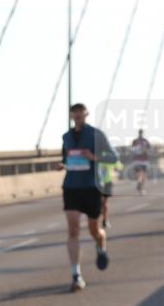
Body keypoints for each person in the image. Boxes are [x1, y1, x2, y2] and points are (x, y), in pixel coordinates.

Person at [60, 103, 119, 292]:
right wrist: (62, 165)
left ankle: (101, 244)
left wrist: (93, 157)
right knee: (73, 228)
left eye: (80, 112)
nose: (77, 115)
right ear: (71, 115)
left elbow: (113, 157)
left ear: (86, 114)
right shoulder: (66, 137)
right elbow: (66, 158)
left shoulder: (95, 134)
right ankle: (76, 275)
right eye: (74, 112)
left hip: (91, 187)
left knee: (94, 229)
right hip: (71, 186)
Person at [131, 129, 151, 195]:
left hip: (137, 160)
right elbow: (149, 150)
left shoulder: (135, 141)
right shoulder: (145, 141)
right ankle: (141, 186)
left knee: (140, 174)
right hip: (143, 160)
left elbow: (132, 150)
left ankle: (139, 183)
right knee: (143, 174)